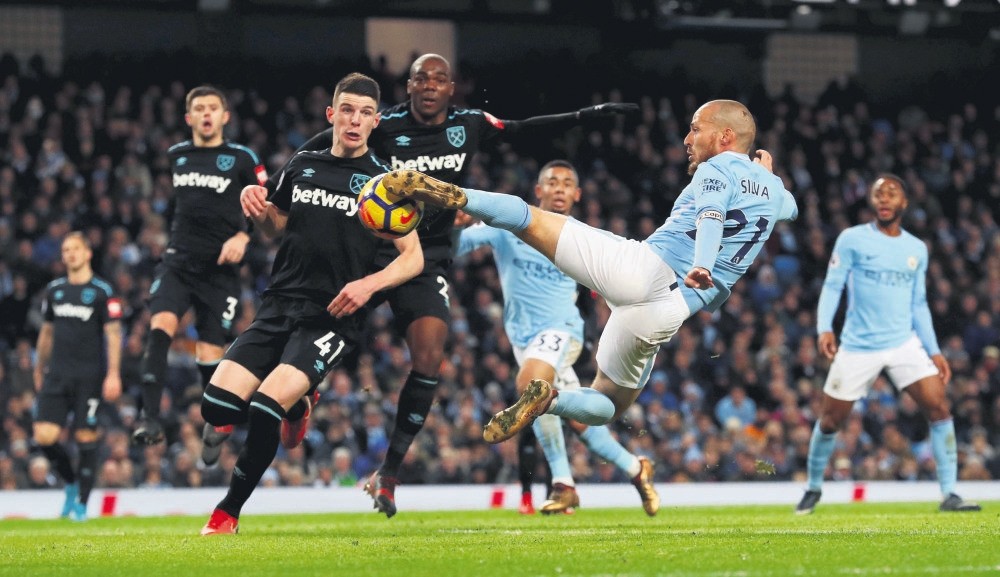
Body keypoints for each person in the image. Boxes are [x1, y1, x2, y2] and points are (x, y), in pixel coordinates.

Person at [280, 53, 637, 518]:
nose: (430, 86)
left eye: (439, 79)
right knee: (334, 327)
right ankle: (302, 393)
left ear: (452, 88)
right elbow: (323, 145)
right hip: (371, 248)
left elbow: (525, 126)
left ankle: (388, 475)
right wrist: (274, 175)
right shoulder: (384, 124)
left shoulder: (469, 124)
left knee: (430, 356)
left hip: (428, 257)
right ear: (407, 86)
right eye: (421, 79)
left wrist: (583, 117)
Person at [381, 99, 797, 445]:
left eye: (695, 129)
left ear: (725, 137)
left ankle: (447, 193)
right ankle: (552, 401)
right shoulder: (774, 191)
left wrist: (703, 263)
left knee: (529, 218)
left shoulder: (716, 168)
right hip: (667, 313)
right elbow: (790, 209)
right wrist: (767, 175)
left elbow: (711, 215)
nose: (688, 139)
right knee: (609, 405)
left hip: (647, 270)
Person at [198, 72, 423, 535]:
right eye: (347, 110)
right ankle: (300, 406)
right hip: (278, 304)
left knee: (264, 407)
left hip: (332, 316)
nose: (354, 120)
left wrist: (368, 286)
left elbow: (414, 259)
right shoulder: (303, 163)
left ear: (375, 121)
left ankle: (227, 513)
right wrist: (258, 210)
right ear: (332, 115)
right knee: (216, 407)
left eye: (364, 113)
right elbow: (275, 226)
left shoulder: (383, 183)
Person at [454, 160, 659, 516]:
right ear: (539, 191)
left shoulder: (581, 236)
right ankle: (635, 468)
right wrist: (456, 229)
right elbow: (455, 250)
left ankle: (563, 484)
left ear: (577, 194)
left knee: (531, 384)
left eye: (567, 183)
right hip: (523, 337)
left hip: (562, 331)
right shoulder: (510, 227)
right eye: (552, 182)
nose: (560, 188)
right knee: (577, 420)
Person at [795, 174, 981, 514]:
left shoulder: (916, 249)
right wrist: (824, 328)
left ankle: (950, 493)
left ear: (904, 203)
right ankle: (813, 487)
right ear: (872, 202)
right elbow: (833, 285)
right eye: (878, 193)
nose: (884, 198)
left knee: (939, 406)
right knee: (830, 421)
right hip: (857, 345)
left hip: (903, 343)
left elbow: (919, 304)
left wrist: (935, 350)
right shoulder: (851, 239)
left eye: (892, 193)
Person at [132, 86, 269, 471]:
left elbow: (269, 206)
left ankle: (217, 422)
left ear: (225, 116)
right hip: (177, 262)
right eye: (199, 109)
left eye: (213, 108)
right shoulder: (176, 155)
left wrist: (244, 236)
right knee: (159, 328)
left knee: (209, 356)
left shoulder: (243, 158)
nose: (206, 114)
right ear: (189, 118)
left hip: (220, 272)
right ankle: (148, 417)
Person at [33, 232, 123, 521]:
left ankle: (82, 504)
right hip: (57, 373)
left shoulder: (101, 291)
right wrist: (38, 366)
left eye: (75, 249)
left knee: (86, 436)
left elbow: (113, 335)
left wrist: (113, 374)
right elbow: (46, 333)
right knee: (44, 436)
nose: (69, 254)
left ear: (87, 253)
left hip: (89, 376)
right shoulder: (54, 290)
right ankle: (71, 482)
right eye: (65, 250)